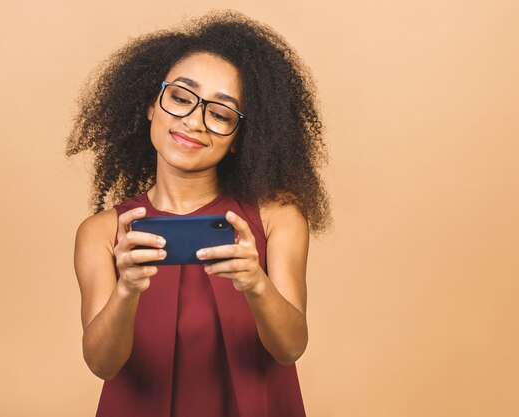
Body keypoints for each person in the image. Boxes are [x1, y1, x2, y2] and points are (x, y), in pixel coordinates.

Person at [66, 10, 330, 417]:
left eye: (221, 114)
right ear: (151, 105)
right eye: (180, 97)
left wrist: (256, 284)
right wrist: (126, 291)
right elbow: (102, 363)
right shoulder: (102, 232)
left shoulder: (279, 217)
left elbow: (291, 347)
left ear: (241, 138)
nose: (193, 121)